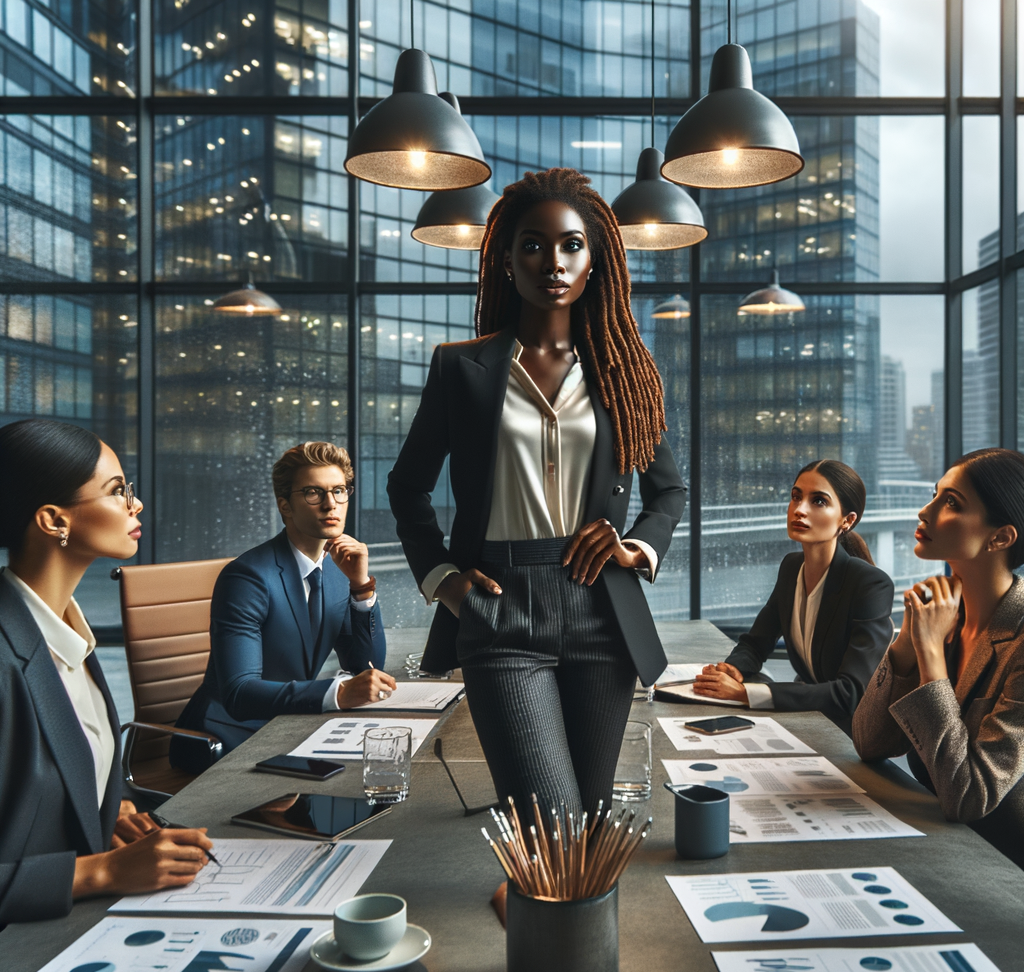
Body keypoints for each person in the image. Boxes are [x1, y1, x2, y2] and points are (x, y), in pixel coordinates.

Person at [388, 168, 687, 822]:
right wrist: (443, 579)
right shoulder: (458, 368)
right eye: (532, 244)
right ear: (503, 259)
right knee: (551, 822)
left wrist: (635, 547)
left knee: (592, 820)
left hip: (602, 608)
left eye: (571, 245)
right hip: (502, 608)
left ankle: (546, 914)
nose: (553, 261)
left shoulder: (625, 372)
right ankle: (537, 902)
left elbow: (668, 491)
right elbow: (406, 485)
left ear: (595, 262)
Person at [0, 419, 214, 926]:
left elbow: (72, 765)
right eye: (118, 491)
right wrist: (101, 872)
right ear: (55, 520)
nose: (135, 505)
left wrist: (110, 808)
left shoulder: (64, 628)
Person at [172, 441, 392, 771]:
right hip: (222, 739)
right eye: (314, 493)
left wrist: (361, 588)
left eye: (339, 491)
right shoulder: (247, 578)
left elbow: (366, 665)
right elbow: (239, 693)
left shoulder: (335, 570)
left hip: (290, 727)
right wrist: (337, 693)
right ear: (286, 506)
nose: (330, 504)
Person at [853, 448, 1024, 868]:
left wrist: (930, 652)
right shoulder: (942, 612)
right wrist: (909, 644)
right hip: (940, 850)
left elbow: (969, 796)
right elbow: (869, 741)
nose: (924, 511)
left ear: (1000, 537)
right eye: (936, 494)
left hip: (1002, 872)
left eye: (951, 502)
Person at [694, 460, 894, 734]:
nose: (799, 509)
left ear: (846, 521)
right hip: (808, 722)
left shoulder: (870, 584)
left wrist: (746, 693)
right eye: (796, 496)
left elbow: (849, 694)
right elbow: (755, 644)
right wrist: (732, 670)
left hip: (850, 737)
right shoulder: (791, 567)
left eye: (819, 501)